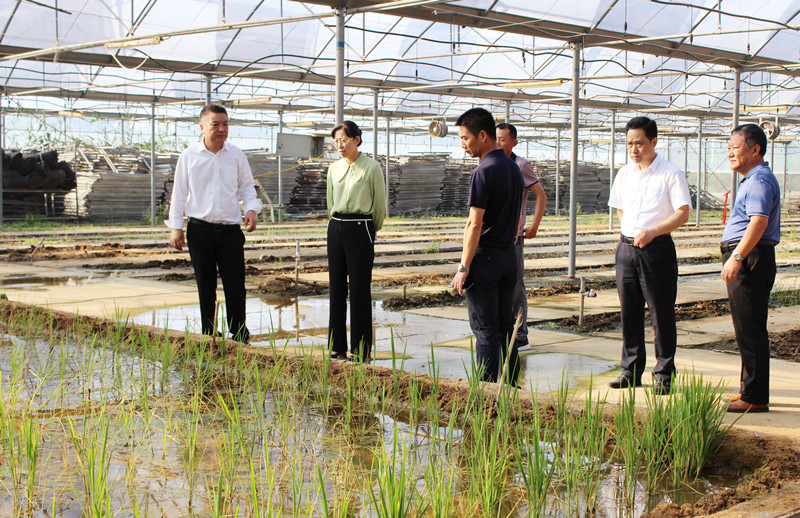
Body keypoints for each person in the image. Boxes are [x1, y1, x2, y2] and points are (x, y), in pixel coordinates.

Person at [607, 116, 692, 395]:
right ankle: (630, 370)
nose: (634, 149)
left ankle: (664, 372)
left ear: (654, 142)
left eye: (640, 143)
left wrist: (653, 231)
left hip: (657, 250)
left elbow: (683, 213)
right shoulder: (624, 173)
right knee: (629, 311)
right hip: (626, 249)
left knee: (660, 312)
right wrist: (630, 233)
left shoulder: (670, 173)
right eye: (630, 143)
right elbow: (620, 208)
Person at [166, 103, 262, 343]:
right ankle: (208, 332)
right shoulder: (189, 156)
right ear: (202, 127)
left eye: (225, 124)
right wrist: (176, 227)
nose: (221, 129)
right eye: (215, 124)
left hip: (230, 231)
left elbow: (247, 187)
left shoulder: (236, 155)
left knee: (235, 284)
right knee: (205, 283)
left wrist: (251, 209)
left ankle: (239, 331)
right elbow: (179, 193)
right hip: (200, 229)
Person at [451, 108, 524, 386]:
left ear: (482, 135)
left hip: (486, 260)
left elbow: (474, 223)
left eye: (465, 138)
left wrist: (463, 267)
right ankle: (512, 388)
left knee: (484, 329)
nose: (463, 144)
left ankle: (486, 393)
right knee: (506, 326)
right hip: (509, 256)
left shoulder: (483, 171)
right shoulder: (513, 168)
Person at [721, 123, 781, 413]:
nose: (730, 153)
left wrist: (737, 256)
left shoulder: (758, 181)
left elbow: (758, 222)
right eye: (728, 148)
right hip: (750, 257)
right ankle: (749, 389)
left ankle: (755, 397)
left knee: (750, 327)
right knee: (745, 326)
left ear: (755, 149)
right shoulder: (753, 179)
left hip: (751, 258)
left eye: (735, 147)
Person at [327, 120, 386, 362]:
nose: (339, 145)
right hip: (336, 227)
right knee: (336, 288)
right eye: (336, 142)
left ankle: (361, 350)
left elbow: (379, 206)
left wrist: (370, 230)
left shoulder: (371, 167)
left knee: (360, 289)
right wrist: (336, 224)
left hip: (361, 227)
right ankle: (337, 346)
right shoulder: (334, 169)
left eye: (343, 140)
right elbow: (330, 202)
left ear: (356, 140)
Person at [496, 123, 547, 352]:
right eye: (496, 139)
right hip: (495, 236)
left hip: (514, 236)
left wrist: (534, 225)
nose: (498, 143)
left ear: (514, 142)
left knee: (516, 286)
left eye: (503, 140)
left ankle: (521, 337)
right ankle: (502, 333)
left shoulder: (521, 166)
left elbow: (541, 195)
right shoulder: (490, 163)